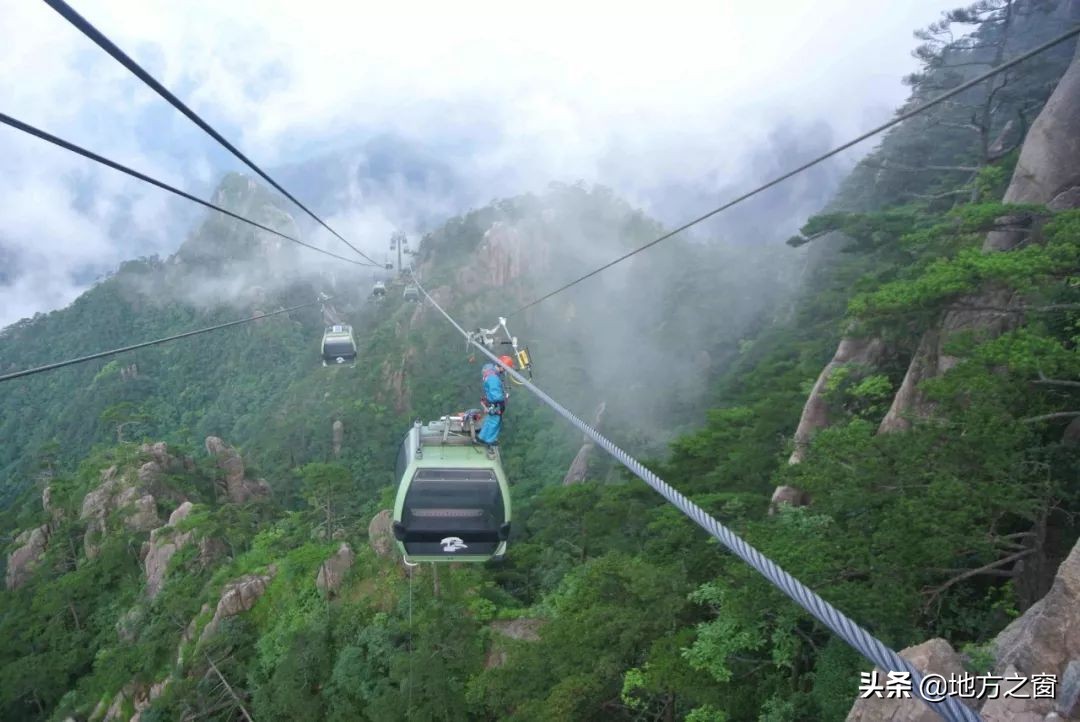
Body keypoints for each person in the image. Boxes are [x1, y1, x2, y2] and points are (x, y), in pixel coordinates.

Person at [477, 356, 514, 446]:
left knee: (490, 419)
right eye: (504, 369)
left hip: (490, 400)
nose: (504, 371)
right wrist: (502, 402)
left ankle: (482, 437)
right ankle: (489, 440)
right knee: (495, 420)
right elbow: (495, 394)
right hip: (494, 402)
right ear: (501, 367)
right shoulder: (493, 378)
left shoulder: (490, 370)